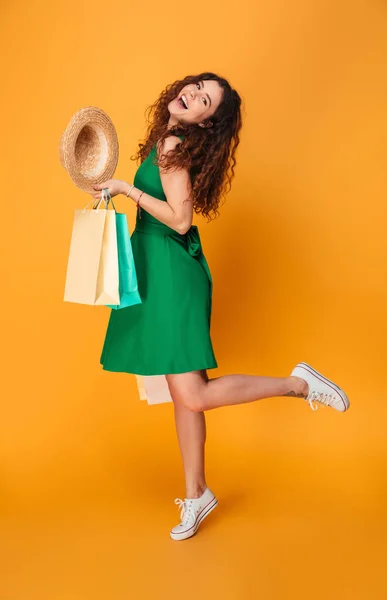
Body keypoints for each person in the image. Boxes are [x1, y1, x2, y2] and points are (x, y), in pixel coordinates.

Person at [91, 72, 350, 542]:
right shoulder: (168, 142)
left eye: (205, 100)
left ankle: (298, 384)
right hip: (160, 267)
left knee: (191, 394)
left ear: (208, 122)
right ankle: (197, 493)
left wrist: (126, 190)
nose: (192, 95)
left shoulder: (172, 144)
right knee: (181, 391)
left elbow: (181, 218)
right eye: (196, 87)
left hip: (171, 273)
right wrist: (113, 190)